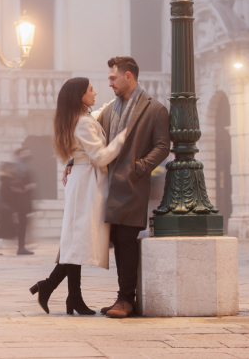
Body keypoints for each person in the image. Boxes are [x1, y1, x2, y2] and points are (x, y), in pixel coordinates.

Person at [63, 56, 170, 319]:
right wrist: (71, 160)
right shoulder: (110, 110)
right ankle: (121, 297)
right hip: (107, 186)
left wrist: (140, 167)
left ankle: (126, 299)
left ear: (128, 76)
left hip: (132, 184)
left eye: (113, 78)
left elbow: (163, 146)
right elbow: (87, 138)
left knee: (126, 240)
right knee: (116, 242)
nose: (109, 83)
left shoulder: (155, 109)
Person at [29, 77, 126, 316]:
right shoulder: (82, 123)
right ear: (80, 96)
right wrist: (123, 136)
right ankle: (55, 289)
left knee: (76, 241)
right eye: (90, 90)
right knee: (78, 240)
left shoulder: (80, 119)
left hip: (83, 181)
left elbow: (97, 115)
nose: (95, 93)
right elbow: (101, 157)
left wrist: (120, 98)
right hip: (86, 184)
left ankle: (68, 294)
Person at [0, 162, 22, 255]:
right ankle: (20, 247)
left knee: (0, 227)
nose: (13, 169)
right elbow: (6, 194)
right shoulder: (7, 179)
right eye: (10, 168)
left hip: (4, 207)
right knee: (15, 226)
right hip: (4, 208)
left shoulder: (8, 179)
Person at [12, 147, 36, 255]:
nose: (26, 155)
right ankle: (20, 247)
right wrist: (27, 187)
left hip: (24, 200)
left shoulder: (23, 166)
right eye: (24, 153)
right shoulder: (18, 167)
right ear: (18, 155)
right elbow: (15, 183)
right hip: (19, 200)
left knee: (23, 223)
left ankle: (21, 246)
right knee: (21, 223)